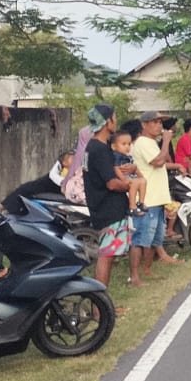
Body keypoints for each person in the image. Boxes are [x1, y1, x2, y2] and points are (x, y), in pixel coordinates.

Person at [81, 105, 136, 297]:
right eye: (114, 117)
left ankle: (102, 303)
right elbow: (111, 184)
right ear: (107, 122)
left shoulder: (91, 146)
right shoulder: (100, 149)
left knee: (108, 255)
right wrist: (130, 185)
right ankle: (100, 307)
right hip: (109, 209)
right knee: (106, 256)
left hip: (101, 207)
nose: (116, 121)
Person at [129, 117, 183, 282]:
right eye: (154, 122)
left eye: (160, 122)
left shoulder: (151, 142)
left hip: (157, 199)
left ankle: (146, 270)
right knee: (141, 240)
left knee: (155, 239)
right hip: (147, 200)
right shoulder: (144, 142)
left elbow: (158, 163)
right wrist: (166, 141)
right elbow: (159, 161)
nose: (159, 125)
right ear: (144, 125)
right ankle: (135, 276)